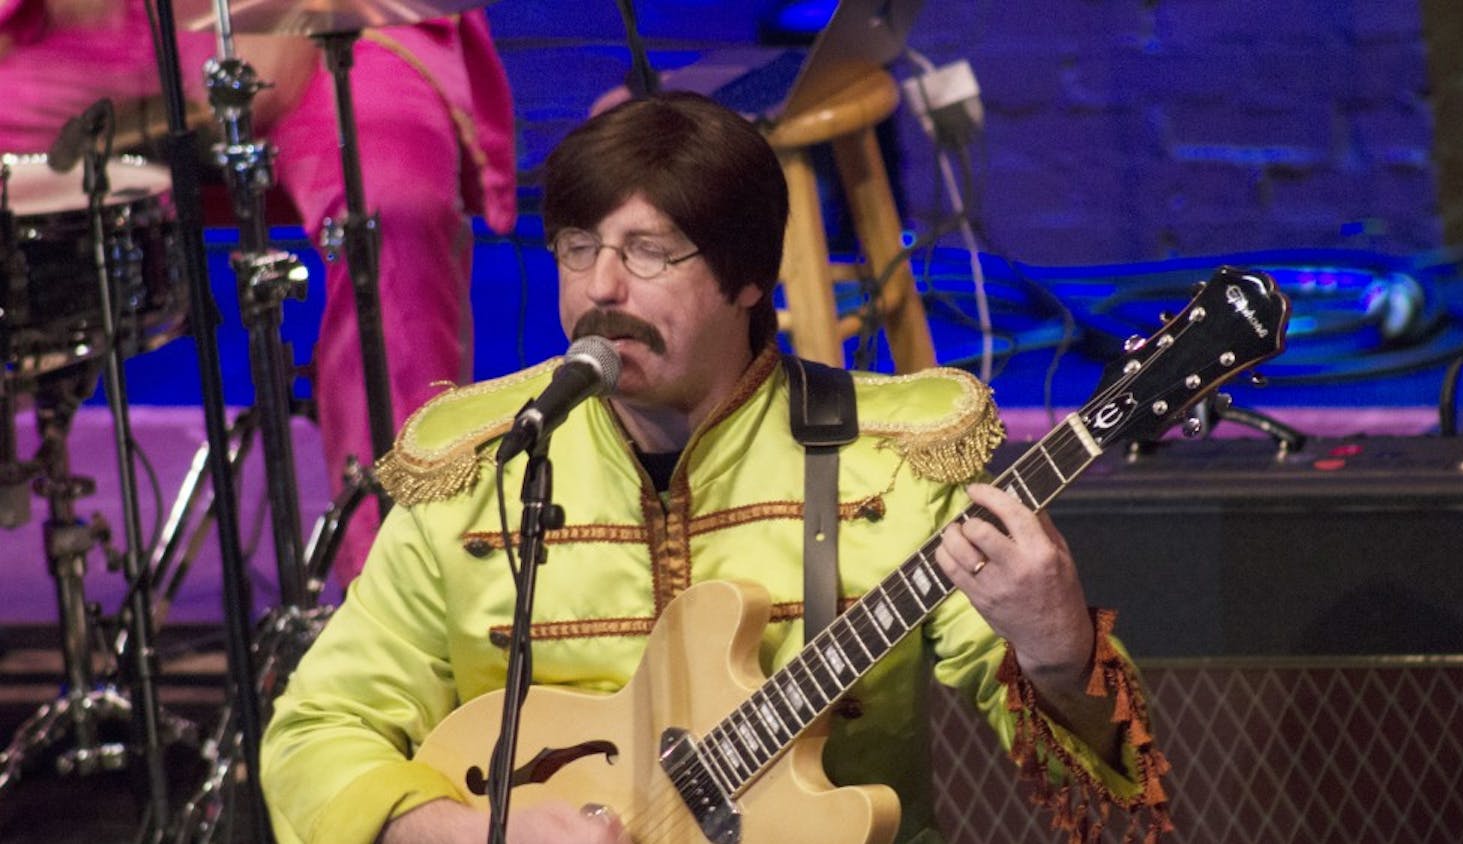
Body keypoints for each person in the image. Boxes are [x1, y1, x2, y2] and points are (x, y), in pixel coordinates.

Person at [259, 92, 1172, 844]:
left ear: (747, 278)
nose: (601, 287)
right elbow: (316, 732)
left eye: (648, 252)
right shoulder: (481, 465)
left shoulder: (893, 462)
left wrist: (1059, 650)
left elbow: (1106, 796)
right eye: (579, 248)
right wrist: (463, 833)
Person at [0, 0, 517, 590]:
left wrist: (292, 15)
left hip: (325, 32)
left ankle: (400, 581)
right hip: (92, 24)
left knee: (393, 213)